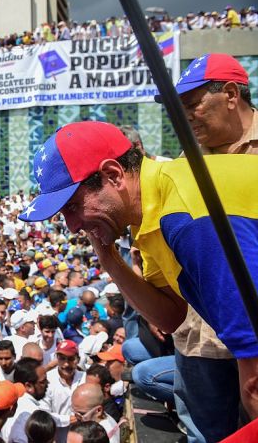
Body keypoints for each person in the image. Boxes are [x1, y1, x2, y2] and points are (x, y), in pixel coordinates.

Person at [17, 119, 258, 420]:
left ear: (113, 175)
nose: (72, 225)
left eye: (74, 206)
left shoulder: (184, 217)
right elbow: (170, 316)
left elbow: (255, 382)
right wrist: (109, 260)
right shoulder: (150, 208)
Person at [157, 52, 256, 441]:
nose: (187, 116)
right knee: (207, 434)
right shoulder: (186, 161)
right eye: (180, 109)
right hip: (201, 340)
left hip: (253, 336)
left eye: (193, 104)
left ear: (231, 94)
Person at [41, 340, 85, 443]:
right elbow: (44, 414)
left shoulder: (85, 378)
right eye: (62, 359)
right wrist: (69, 419)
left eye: (70, 359)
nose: (66, 364)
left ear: (77, 360)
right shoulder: (47, 380)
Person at [1, 357, 49, 443]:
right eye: (42, 382)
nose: (47, 384)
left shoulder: (10, 406)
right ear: (28, 386)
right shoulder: (31, 413)